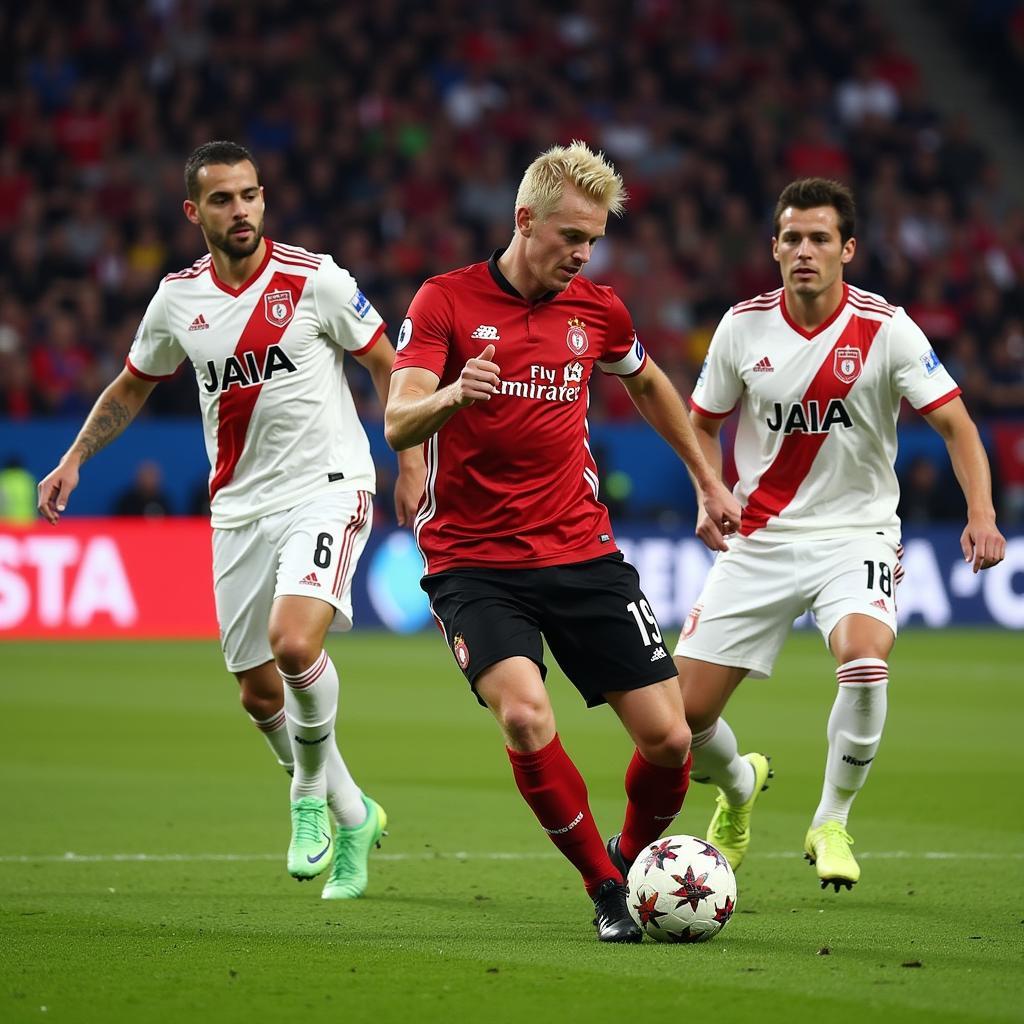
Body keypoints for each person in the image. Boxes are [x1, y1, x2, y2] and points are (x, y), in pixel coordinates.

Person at [37, 140, 425, 899]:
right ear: (194, 212)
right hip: (239, 509)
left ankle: (307, 797)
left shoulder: (317, 279)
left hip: (330, 484)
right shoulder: (177, 300)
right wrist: (75, 457)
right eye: (222, 199)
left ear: (263, 199)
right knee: (257, 691)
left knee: (292, 642)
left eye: (249, 195)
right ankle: (355, 814)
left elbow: (387, 363)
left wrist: (408, 459)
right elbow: (130, 386)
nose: (240, 210)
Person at [385, 141, 741, 942]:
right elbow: (398, 417)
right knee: (524, 717)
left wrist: (706, 481)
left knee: (670, 737)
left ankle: (629, 856)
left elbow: (647, 381)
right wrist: (451, 394)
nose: (581, 255)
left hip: (581, 550)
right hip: (474, 562)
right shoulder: (445, 302)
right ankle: (607, 889)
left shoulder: (598, 308)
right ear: (524, 220)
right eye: (569, 237)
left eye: (593, 241)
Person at [676, 177, 1006, 891]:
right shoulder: (741, 326)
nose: (804, 251)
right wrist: (711, 492)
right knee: (679, 724)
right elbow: (701, 424)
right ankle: (738, 788)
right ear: (773, 247)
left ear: (847, 249)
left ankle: (831, 818)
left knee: (862, 660)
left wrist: (981, 512)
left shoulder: (886, 328)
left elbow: (957, 425)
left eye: (819, 238)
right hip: (757, 538)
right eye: (791, 238)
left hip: (854, 536)